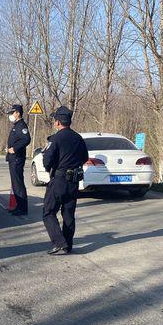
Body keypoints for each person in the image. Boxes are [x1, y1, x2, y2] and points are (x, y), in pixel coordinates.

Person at [42, 106, 89, 255]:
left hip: (59, 180)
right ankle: (68, 244)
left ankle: (59, 242)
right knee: (68, 213)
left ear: (58, 122)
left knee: (48, 212)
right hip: (73, 181)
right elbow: (85, 157)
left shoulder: (55, 138)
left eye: (54, 120)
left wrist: (50, 167)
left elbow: (47, 160)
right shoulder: (78, 138)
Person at [6, 104, 31, 216]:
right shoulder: (16, 125)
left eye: (12, 113)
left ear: (17, 113)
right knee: (15, 184)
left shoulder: (21, 125)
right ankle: (18, 206)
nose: (10, 115)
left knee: (18, 184)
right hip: (13, 158)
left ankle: (23, 208)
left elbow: (26, 139)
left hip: (17, 158)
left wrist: (15, 148)